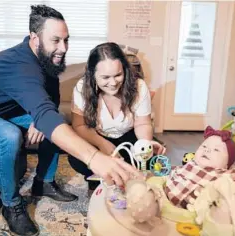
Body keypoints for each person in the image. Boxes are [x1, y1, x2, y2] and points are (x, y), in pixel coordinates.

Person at [0, 5, 138, 236]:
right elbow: (43, 111)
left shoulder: (47, 61)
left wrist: (38, 120)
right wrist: (94, 157)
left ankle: (43, 182)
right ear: (35, 38)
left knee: (56, 122)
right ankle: (11, 205)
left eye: (66, 40)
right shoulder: (19, 66)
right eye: (55, 40)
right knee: (9, 135)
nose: (63, 48)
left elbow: (50, 104)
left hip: (1, 112)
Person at [68, 42, 166, 190]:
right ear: (92, 74)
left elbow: (142, 123)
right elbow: (79, 125)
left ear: (125, 70)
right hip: (96, 136)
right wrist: (103, 144)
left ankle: (120, 175)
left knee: (150, 155)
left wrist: (144, 144)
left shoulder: (139, 87)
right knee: (77, 158)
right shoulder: (82, 87)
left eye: (118, 75)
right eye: (105, 77)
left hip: (129, 135)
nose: (113, 83)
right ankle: (101, 175)